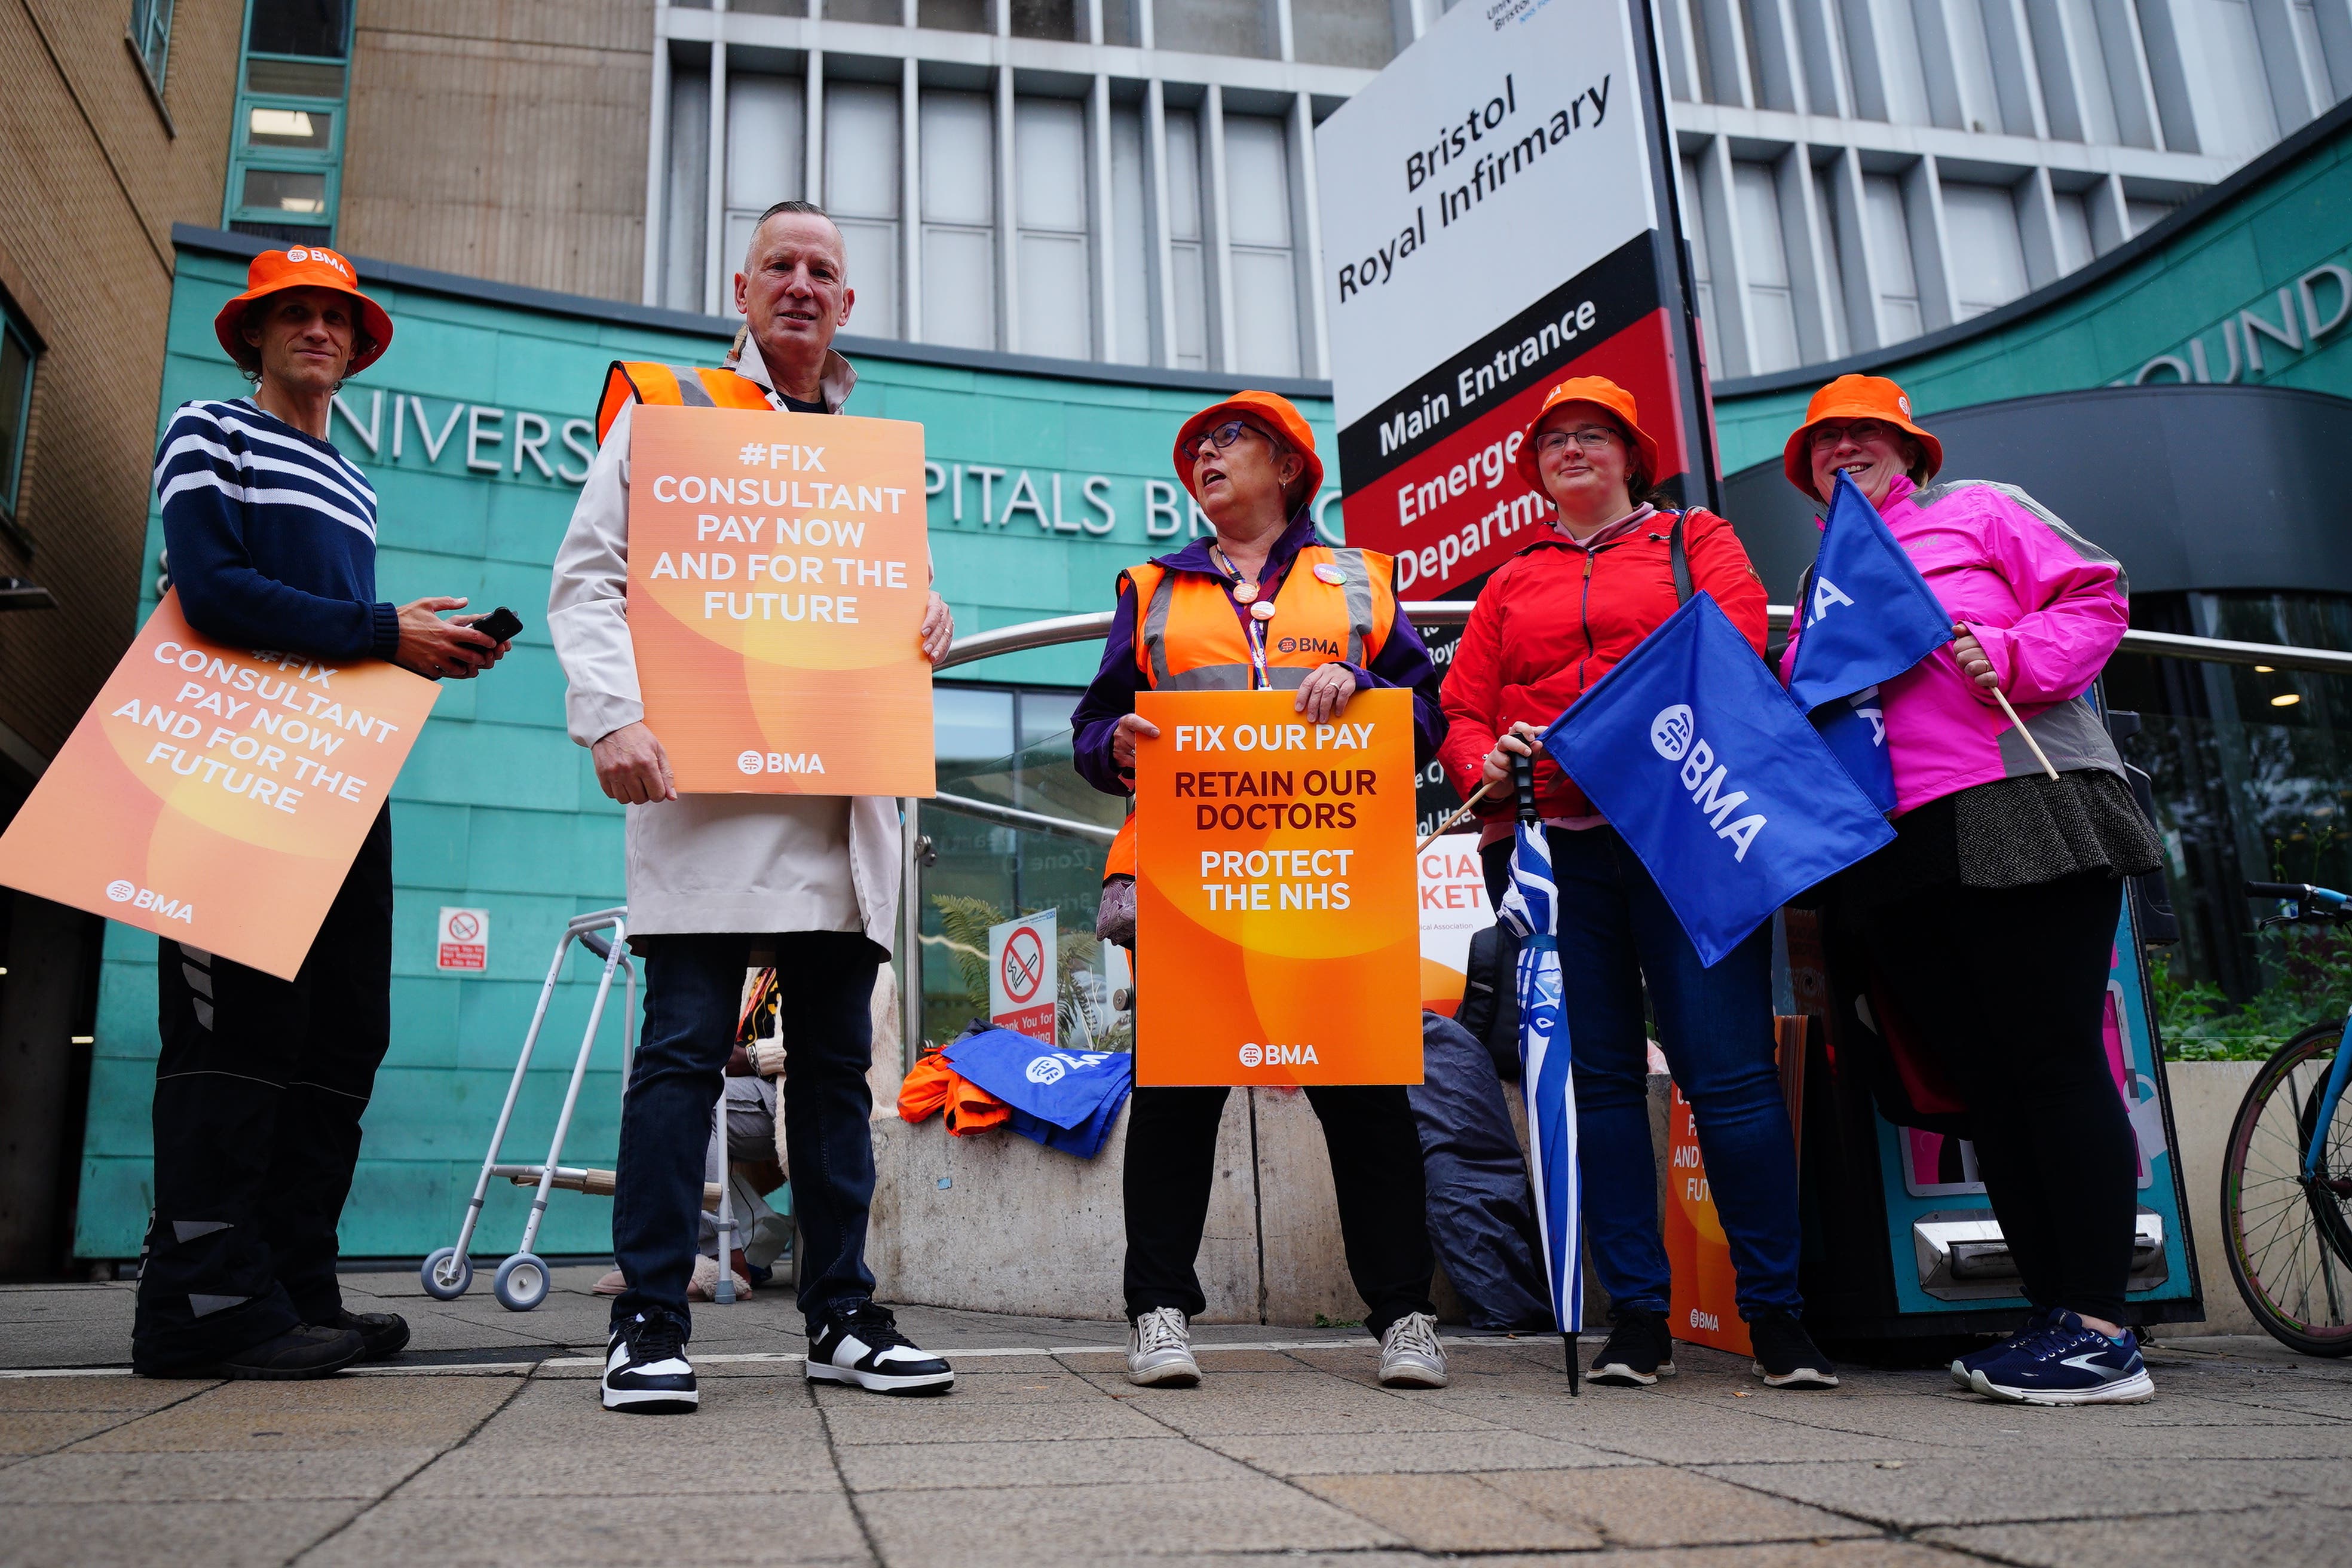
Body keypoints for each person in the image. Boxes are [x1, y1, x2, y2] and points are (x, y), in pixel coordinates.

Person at [551, 200, 957, 1414]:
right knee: (680, 1056)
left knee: (832, 1071)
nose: (799, 283)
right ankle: (648, 1321)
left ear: (847, 301)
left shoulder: (868, 460)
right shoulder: (673, 418)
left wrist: (924, 613)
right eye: (778, 263)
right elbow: (588, 578)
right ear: (741, 287)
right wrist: (610, 715)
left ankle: (841, 1312)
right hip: (709, 795)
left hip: (836, 799)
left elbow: (883, 604)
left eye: (820, 269)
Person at [135, 247, 510, 1379]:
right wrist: (385, 631)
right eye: (290, 315)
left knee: (343, 1035)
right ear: (252, 335)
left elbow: (325, 634)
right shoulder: (209, 429)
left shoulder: (353, 481)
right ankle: (196, 1305)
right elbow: (215, 594)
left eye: (334, 318)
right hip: (226, 780)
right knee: (232, 1037)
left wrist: (417, 649)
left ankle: (291, 1279)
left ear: (358, 343)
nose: (316, 331)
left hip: (333, 778)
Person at [1438, 376, 1838, 1391]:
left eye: (1592, 436)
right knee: (1598, 1086)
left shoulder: (1695, 538)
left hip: (1686, 829)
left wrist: (1598, 725)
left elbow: (1736, 640)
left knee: (1730, 1075)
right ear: (1537, 471)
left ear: (1630, 454)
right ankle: (1640, 1324)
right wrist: (1482, 761)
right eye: (1554, 441)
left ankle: (1778, 1320)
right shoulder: (1509, 578)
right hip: (1555, 853)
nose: (1571, 451)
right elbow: (1462, 707)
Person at [1779, 375, 2162, 1405]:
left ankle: (2100, 1327)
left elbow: (2098, 593)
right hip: (1899, 845)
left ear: (1910, 451)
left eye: (1864, 434)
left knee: (2050, 1058)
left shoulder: (1983, 510)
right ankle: (2053, 1314)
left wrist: (2005, 651)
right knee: (1982, 1084)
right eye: (1823, 442)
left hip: (2021, 797)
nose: (1842, 449)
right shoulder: (1824, 582)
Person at [1071, 391, 1451, 1391]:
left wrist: (1373, 695)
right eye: (1195, 447)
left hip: (1328, 880)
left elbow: (1428, 718)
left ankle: (1405, 1315)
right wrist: (1110, 745)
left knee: (1365, 1095)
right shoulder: (1151, 587)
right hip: (1193, 881)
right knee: (1177, 1096)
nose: (1204, 455)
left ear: (1289, 467)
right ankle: (1157, 1310)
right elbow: (1094, 727)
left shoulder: (1361, 581)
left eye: (1227, 440)